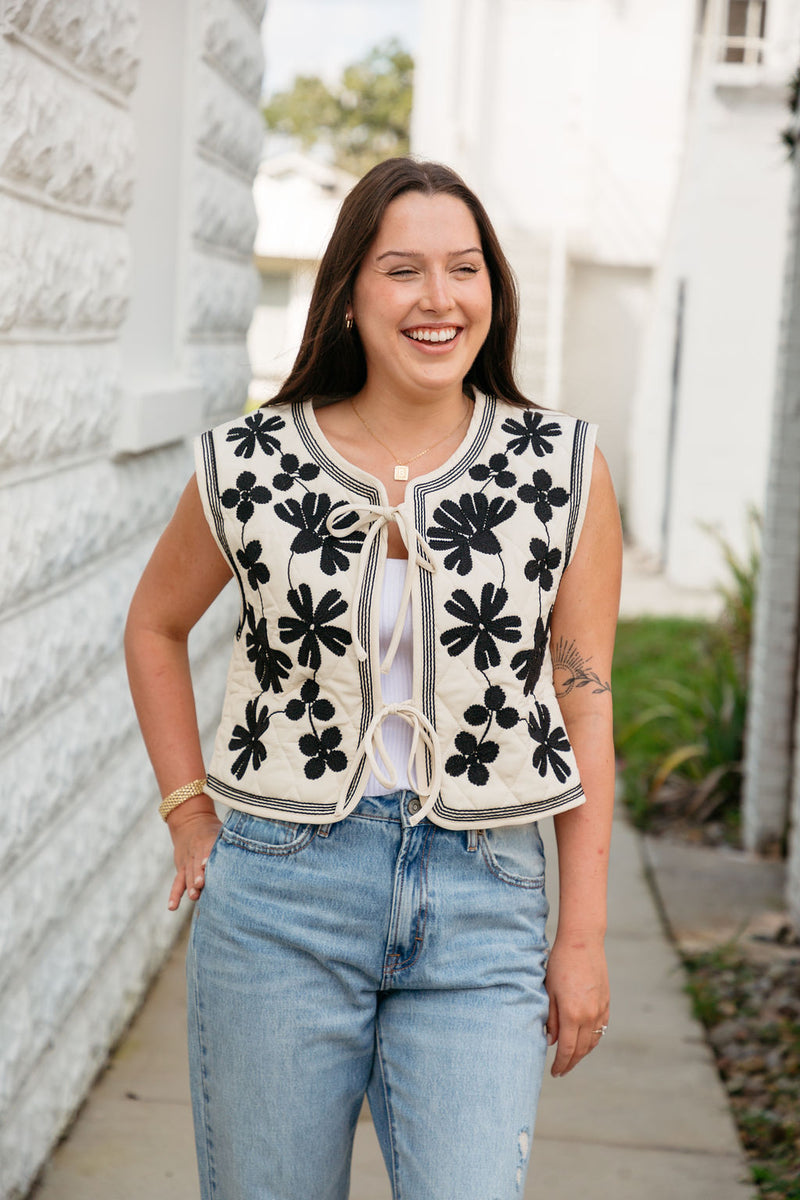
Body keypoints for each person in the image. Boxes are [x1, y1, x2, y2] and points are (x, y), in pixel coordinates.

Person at [125, 156, 621, 1200]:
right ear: (349, 293)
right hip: (278, 900)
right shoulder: (249, 462)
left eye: (464, 268)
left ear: (493, 288)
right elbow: (154, 625)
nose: (439, 299)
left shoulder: (559, 469)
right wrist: (187, 810)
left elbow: (584, 701)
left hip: (483, 904)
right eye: (402, 271)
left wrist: (579, 936)